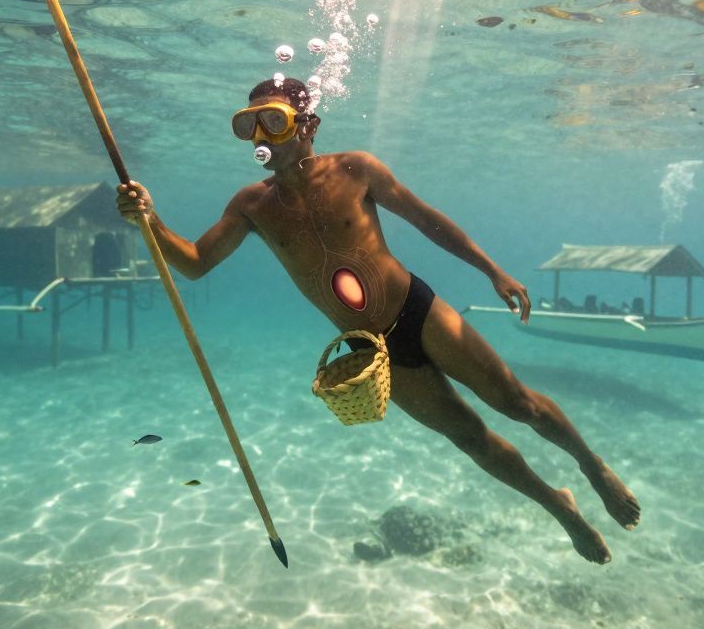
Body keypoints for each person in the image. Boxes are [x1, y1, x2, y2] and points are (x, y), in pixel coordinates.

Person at [115, 77, 639, 564]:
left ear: (307, 125)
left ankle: (592, 467)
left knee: (517, 403)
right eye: (247, 124)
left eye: (271, 121)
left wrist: (492, 270)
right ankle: (560, 507)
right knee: (469, 436)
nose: (260, 137)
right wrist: (149, 218)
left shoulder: (355, 169)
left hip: (418, 310)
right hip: (371, 350)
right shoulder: (252, 205)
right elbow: (195, 262)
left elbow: (427, 220)